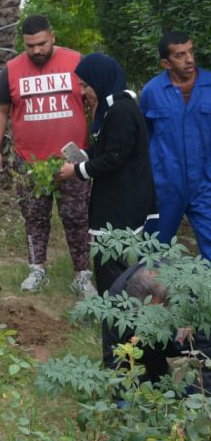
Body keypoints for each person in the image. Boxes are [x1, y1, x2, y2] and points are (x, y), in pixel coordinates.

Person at [0, 15, 95, 296]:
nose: (36, 50)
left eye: (42, 44)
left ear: (53, 37)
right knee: (34, 217)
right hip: (30, 160)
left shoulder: (77, 62)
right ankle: (37, 270)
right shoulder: (12, 69)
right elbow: (0, 109)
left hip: (74, 159)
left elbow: (93, 99)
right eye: (30, 46)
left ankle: (82, 275)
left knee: (78, 218)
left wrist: (97, 144)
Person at [57, 54, 158, 295]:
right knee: (111, 257)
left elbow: (114, 158)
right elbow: (109, 146)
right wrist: (83, 154)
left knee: (109, 259)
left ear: (99, 80)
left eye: (85, 85)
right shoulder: (114, 108)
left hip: (121, 200)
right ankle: (118, 303)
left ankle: (114, 307)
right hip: (117, 196)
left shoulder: (121, 112)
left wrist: (76, 170)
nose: (83, 92)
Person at [140, 31, 211, 260]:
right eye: (180, 55)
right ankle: (150, 284)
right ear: (166, 63)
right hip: (165, 185)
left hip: (206, 184)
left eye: (190, 51)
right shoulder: (152, 92)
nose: (189, 59)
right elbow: (144, 138)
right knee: (153, 250)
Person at [102, 263, 211, 394]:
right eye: (151, 315)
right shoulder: (116, 305)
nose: (159, 321)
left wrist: (204, 396)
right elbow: (113, 358)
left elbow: (206, 348)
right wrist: (125, 399)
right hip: (145, 345)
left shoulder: (192, 289)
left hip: (188, 333)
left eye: (161, 311)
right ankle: (158, 384)